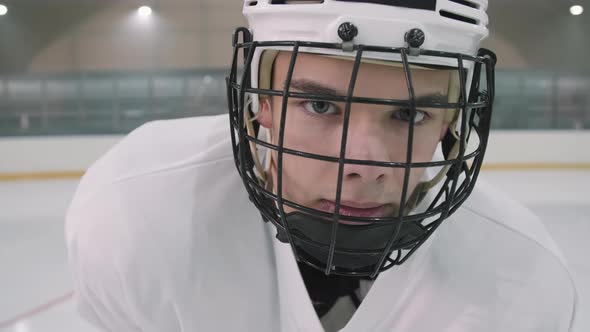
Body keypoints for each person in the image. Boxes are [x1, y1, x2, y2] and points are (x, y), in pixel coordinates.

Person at [66, 0, 577, 331]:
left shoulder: (524, 283)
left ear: (450, 123)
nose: (363, 164)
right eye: (321, 105)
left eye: (411, 112)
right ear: (258, 104)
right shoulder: (138, 218)